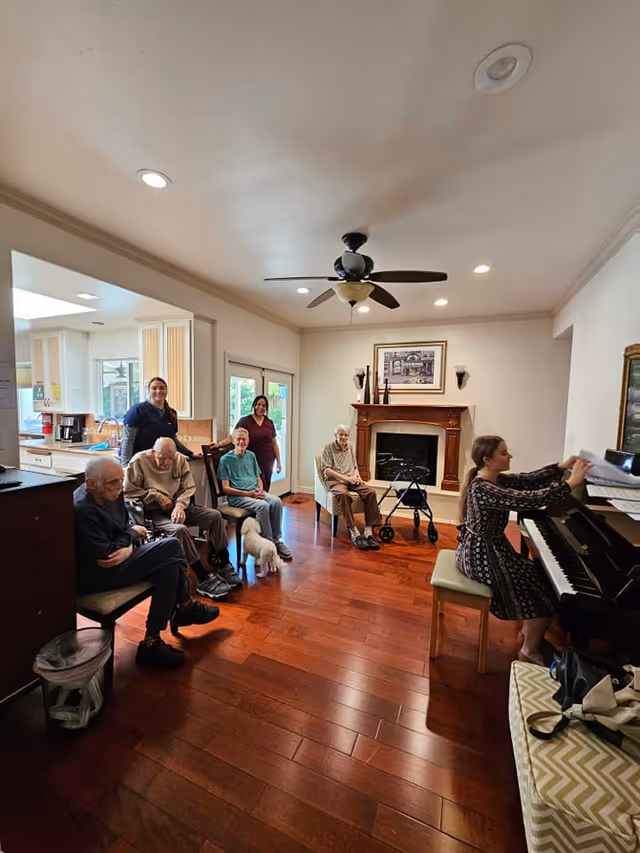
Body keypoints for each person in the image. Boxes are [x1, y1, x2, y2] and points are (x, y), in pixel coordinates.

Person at [456, 435, 592, 665]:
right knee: (543, 597)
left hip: (491, 550)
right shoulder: (483, 488)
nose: (509, 456)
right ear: (487, 460)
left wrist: (561, 466)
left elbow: (528, 481)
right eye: (503, 453)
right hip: (481, 557)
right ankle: (529, 649)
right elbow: (527, 500)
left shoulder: (495, 480)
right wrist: (571, 483)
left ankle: (530, 633)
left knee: (540, 578)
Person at [74, 456, 220, 668]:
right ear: (91, 484)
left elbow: (126, 526)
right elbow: (106, 553)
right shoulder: (82, 508)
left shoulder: (113, 493)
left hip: (120, 558)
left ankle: (152, 642)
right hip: (98, 575)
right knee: (170, 546)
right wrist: (131, 537)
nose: (119, 487)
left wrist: (128, 545)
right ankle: (185, 605)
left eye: (121, 480)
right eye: (112, 482)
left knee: (169, 567)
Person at [124, 437, 242, 598]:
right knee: (180, 529)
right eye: (162, 458)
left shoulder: (179, 460)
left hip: (177, 505)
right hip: (152, 512)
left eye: (170, 459)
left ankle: (223, 562)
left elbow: (188, 488)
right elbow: (128, 491)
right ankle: (202, 577)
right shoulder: (138, 461)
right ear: (153, 452)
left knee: (214, 516)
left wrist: (180, 505)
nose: (166, 463)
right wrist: (155, 495)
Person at [217, 427, 292, 560]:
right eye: (238, 439)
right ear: (233, 441)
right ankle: (268, 543)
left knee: (276, 502)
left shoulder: (251, 455)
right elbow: (225, 489)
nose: (241, 442)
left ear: (248, 441)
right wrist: (248, 494)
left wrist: (259, 489)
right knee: (263, 506)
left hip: (255, 492)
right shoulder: (225, 460)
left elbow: (258, 478)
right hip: (238, 497)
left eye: (244, 439)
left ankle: (276, 540)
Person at [321, 425, 382, 550]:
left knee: (371, 492)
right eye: (341, 434)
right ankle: (354, 531)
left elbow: (355, 466)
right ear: (335, 435)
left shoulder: (350, 447)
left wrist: (356, 477)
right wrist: (346, 479)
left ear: (348, 436)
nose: (343, 437)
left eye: (346, 435)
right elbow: (327, 470)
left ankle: (368, 530)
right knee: (343, 495)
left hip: (351, 479)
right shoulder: (328, 448)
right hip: (336, 481)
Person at [120, 376, 201, 467]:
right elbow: (128, 440)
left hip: (160, 462)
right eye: (154, 388)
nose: (158, 391)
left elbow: (172, 440)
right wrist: (126, 467)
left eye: (162, 388)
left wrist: (190, 453)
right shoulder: (137, 410)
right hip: (139, 462)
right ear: (149, 391)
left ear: (166, 391)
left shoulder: (171, 413)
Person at [211, 395, 282, 492]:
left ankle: (265, 505)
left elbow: (274, 443)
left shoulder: (269, 423)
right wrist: (219, 444)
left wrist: (278, 462)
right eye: (258, 404)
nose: (260, 407)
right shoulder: (245, 421)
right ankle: (255, 505)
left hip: (267, 461)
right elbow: (233, 436)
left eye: (263, 405)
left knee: (265, 487)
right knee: (252, 486)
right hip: (250, 460)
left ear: (266, 408)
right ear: (254, 406)